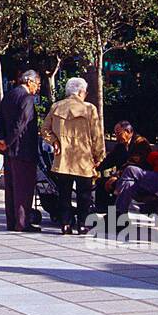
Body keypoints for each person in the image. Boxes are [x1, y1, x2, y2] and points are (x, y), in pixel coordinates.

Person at [39, 77, 106, 235]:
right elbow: (97, 135)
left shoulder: (56, 106)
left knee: (64, 193)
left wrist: (54, 141)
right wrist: (99, 156)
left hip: (63, 158)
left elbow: (44, 129)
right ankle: (82, 224)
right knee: (84, 194)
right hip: (83, 158)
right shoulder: (89, 109)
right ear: (82, 92)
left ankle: (65, 224)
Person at [0, 70, 41, 232]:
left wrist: (1, 139)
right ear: (29, 82)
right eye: (37, 83)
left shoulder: (9, 95)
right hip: (23, 150)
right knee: (24, 188)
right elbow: (21, 123)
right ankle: (22, 223)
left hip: (9, 151)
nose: (37, 87)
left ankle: (12, 221)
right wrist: (8, 141)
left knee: (11, 188)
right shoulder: (27, 98)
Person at [95, 120, 150, 218]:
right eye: (115, 134)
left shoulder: (141, 143)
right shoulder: (120, 145)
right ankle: (105, 212)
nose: (116, 137)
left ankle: (117, 216)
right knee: (101, 182)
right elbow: (110, 160)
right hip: (122, 176)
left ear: (128, 132)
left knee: (117, 184)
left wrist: (116, 176)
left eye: (118, 133)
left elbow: (134, 163)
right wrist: (95, 168)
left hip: (138, 178)